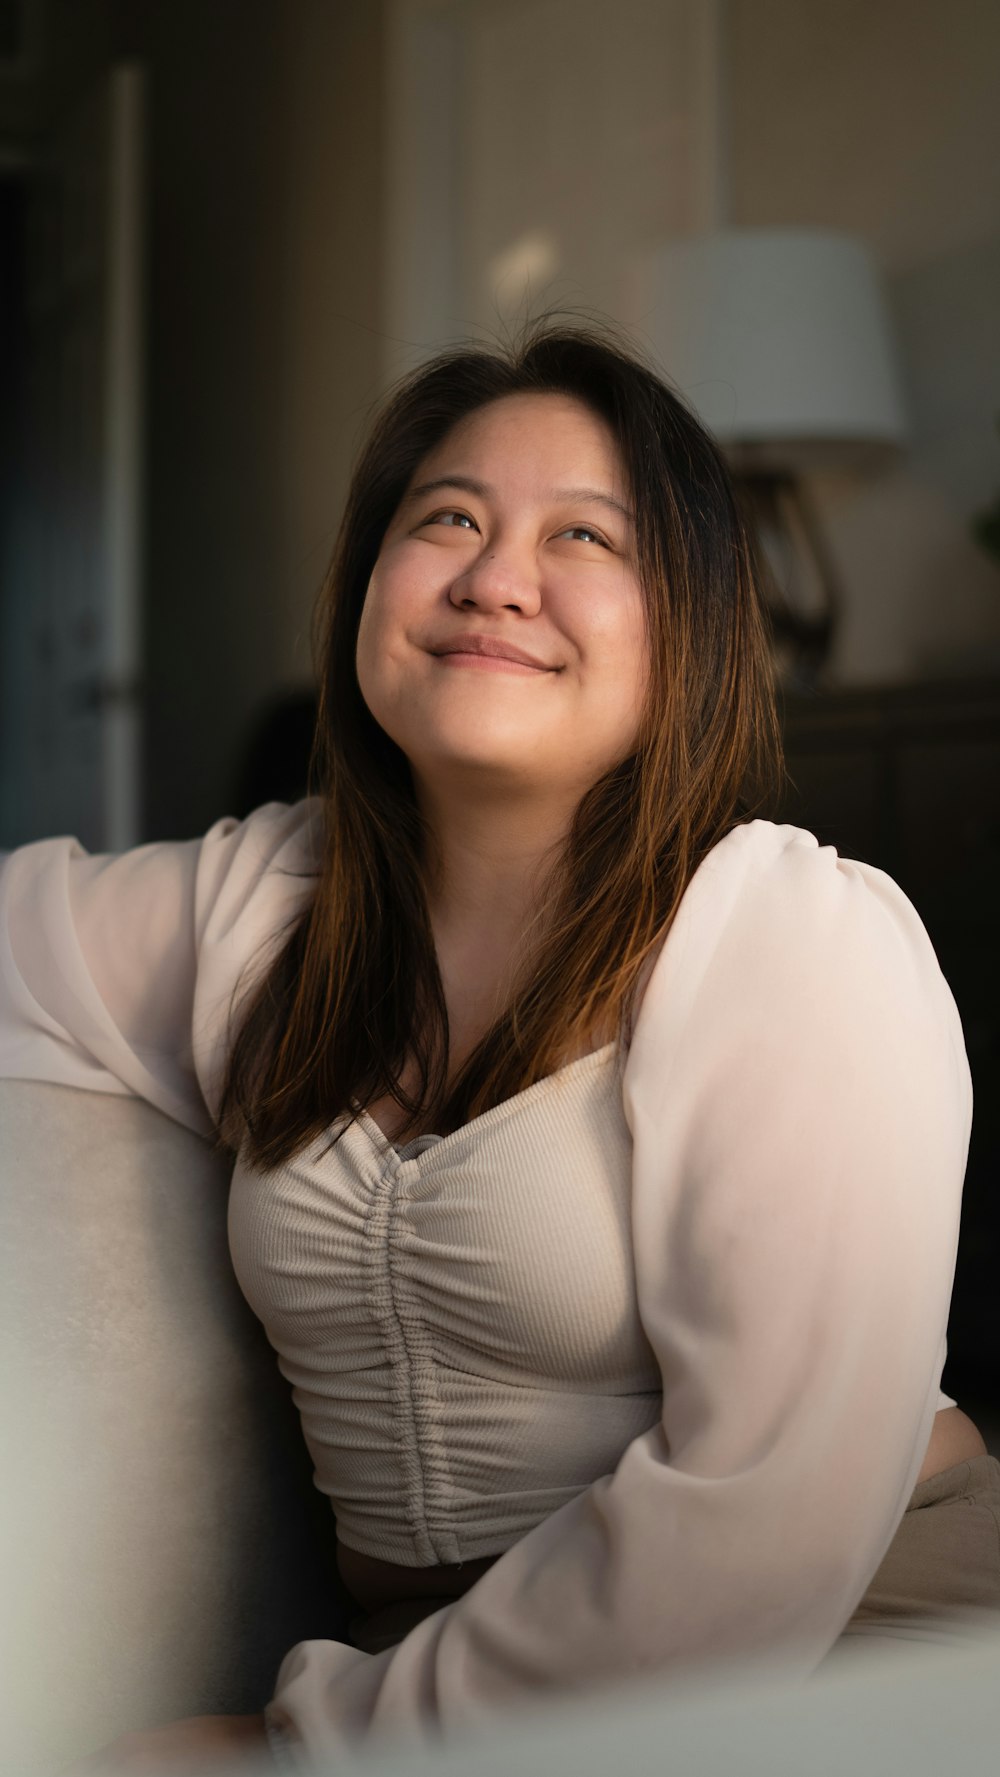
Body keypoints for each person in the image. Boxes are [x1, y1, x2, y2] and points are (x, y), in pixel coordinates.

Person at [1, 322, 996, 1773]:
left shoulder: (791, 935)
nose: (495, 576)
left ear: (690, 629)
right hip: (446, 1690)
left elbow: (762, 1533)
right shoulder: (258, 908)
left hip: (855, 1638)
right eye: (447, 517)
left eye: (584, 535)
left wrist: (298, 1745)